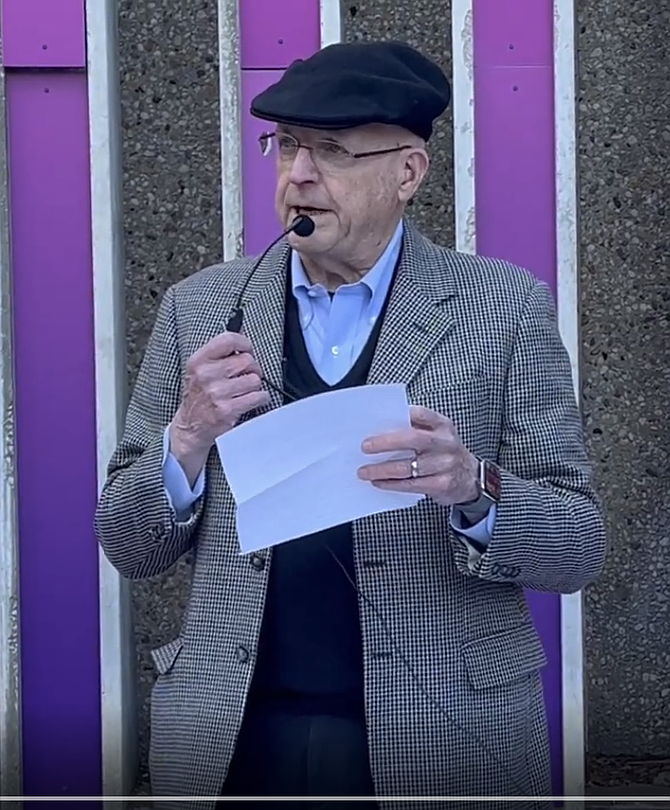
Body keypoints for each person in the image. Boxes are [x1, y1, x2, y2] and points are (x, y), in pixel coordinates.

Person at [95, 40, 606, 810]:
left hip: (444, 735)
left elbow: (577, 547)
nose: (299, 173)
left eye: (331, 150)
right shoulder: (199, 307)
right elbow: (128, 545)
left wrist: (476, 489)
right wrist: (187, 439)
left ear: (408, 172)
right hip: (231, 737)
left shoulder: (503, 308)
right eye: (288, 145)